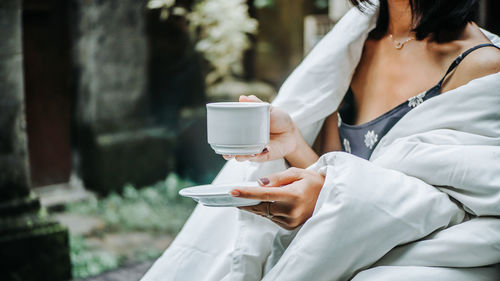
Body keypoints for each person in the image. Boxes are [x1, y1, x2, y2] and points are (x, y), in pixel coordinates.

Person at [142, 0, 500, 280]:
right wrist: (291, 144)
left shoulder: (481, 65)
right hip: (328, 243)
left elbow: (457, 203)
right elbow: (330, 172)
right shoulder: (355, 43)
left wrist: (332, 199)